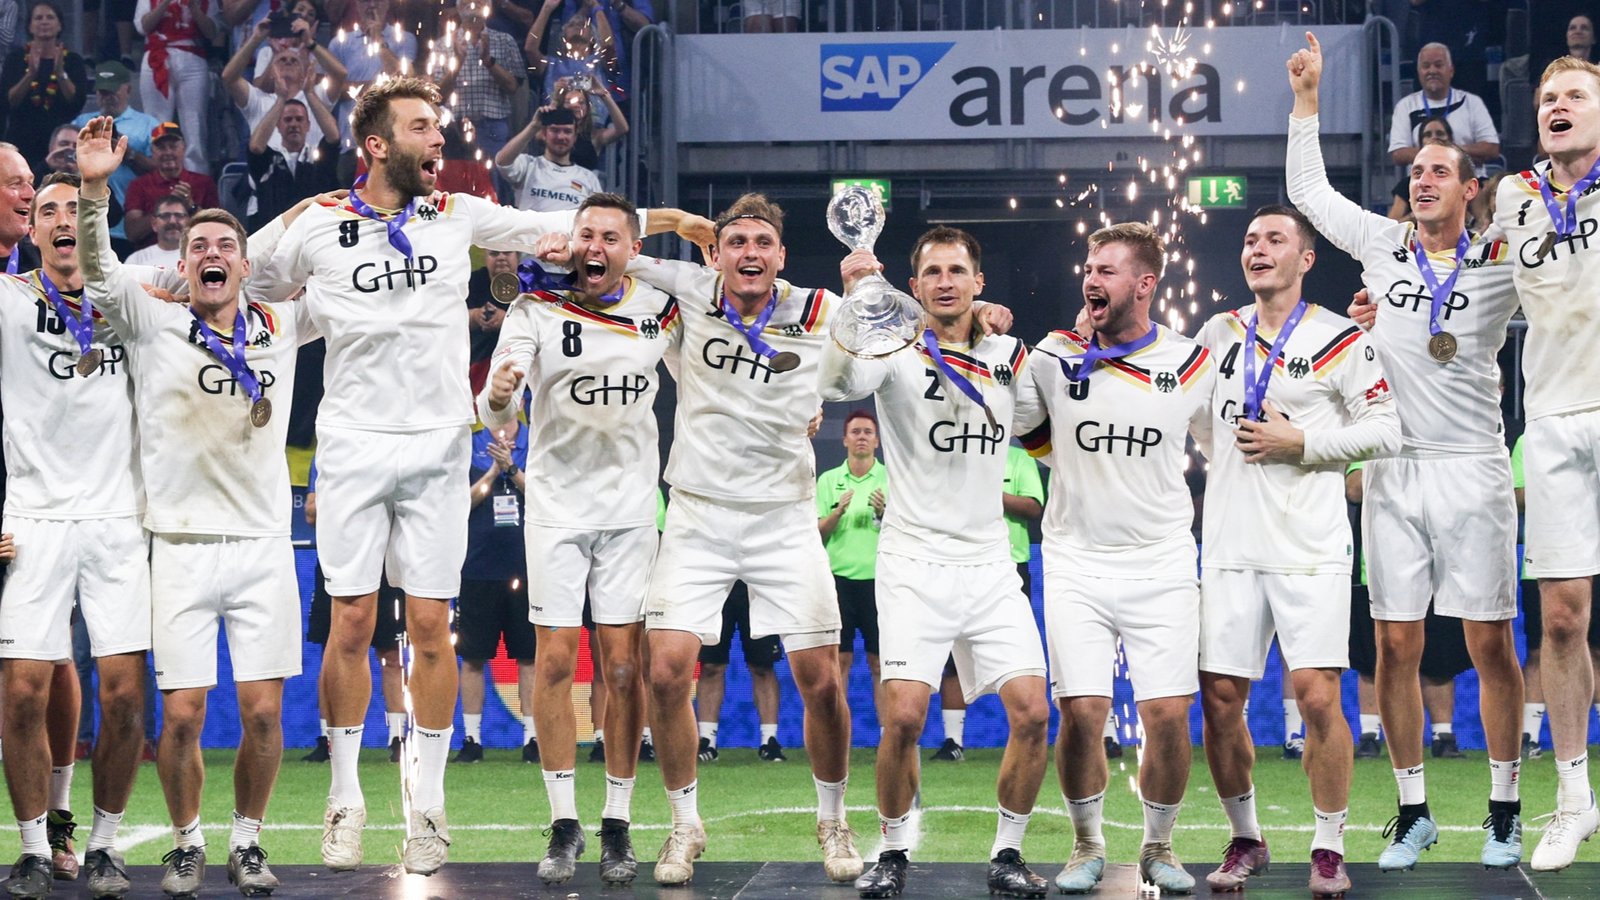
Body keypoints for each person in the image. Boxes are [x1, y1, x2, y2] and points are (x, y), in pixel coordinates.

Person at [248, 75, 710, 876]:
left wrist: (675, 223)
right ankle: (346, 799)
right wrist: (300, 217)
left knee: (430, 629)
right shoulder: (321, 225)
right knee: (353, 624)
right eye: (423, 129)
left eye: (438, 128)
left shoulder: (457, 215)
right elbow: (247, 284)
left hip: (437, 447)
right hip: (352, 443)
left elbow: (572, 229)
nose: (440, 142)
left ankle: (425, 809)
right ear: (376, 144)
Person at [626, 193, 950, 887]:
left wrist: (868, 292)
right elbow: (606, 241)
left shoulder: (820, 312)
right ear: (716, 254)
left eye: (762, 243)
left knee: (820, 679)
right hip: (698, 513)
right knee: (664, 670)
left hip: (783, 516)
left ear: (780, 255)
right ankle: (684, 824)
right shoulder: (691, 287)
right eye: (735, 241)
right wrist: (676, 223)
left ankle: (833, 817)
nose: (749, 253)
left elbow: (874, 365)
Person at [1288, 32, 1527, 870]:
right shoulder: (1381, 249)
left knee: (1489, 643)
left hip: (1472, 463)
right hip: (1392, 465)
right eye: (1415, 172)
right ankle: (1414, 811)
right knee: (1394, 644)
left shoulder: (1502, 261)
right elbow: (1308, 190)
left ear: (1471, 189)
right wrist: (1307, 98)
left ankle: (1504, 808)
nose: (1421, 181)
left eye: (1439, 172)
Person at [76, 115, 324, 898]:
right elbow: (96, 266)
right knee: (178, 717)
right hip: (178, 544)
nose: (212, 256)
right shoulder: (155, 321)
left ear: (247, 266)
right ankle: (187, 843)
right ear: (180, 267)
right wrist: (91, 189)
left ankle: (247, 842)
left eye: (225, 248)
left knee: (260, 716)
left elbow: (355, 291)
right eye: (199, 250)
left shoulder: (281, 324)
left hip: (261, 546)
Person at [824, 225, 1049, 900]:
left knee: (1035, 714)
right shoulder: (893, 350)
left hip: (988, 561)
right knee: (902, 718)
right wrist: (853, 297)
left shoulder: (1011, 354)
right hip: (913, 562)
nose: (946, 281)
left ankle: (1008, 853)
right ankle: (893, 852)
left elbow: (1041, 432)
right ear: (914, 286)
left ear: (979, 283)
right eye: (932, 272)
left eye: (958, 271)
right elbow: (838, 382)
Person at [1193, 204, 1401, 898]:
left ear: (1304, 259)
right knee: (1221, 699)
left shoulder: (1342, 339)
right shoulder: (1218, 332)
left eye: (1274, 239)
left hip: (1310, 547)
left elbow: (1385, 431)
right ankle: (1246, 835)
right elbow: (1198, 426)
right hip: (1228, 545)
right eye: (1250, 239)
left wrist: (1303, 445)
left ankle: (1328, 845)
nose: (1257, 249)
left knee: (1317, 697)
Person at [477, 193, 677, 886]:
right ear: (570, 242)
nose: (596, 246)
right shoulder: (535, 310)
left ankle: (618, 821)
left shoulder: (660, 309)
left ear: (630, 250)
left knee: (623, 668)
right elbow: (493, 406)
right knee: (556, 662)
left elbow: (710, 378)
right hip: (557, 509)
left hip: (628, 510)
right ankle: (565, 821)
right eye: (585, 233)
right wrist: (502, 393)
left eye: (610, 237)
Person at [1016, 221, 1213, 896]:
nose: (1091, 280)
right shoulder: (1052, 354)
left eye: (1107, 270)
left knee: (1165, 716)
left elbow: (1225, 448)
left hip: (1161, 560)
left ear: (1145, 283)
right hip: (1075, 559)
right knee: (1083, 714)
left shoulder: (1191, 362)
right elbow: (1027, 433)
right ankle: (1086, 843)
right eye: (1089, 268)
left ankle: (1159, 844)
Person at [0, 159, 152, 900]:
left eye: (75, 211)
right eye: (47, 210)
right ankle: (33, 847)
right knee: (24, 690)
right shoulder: (3, 301)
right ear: (29, 231)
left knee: (124, 694)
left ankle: (103, 843)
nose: (62, 220)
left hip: (120, 518)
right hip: (32, 520)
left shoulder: (128, 302)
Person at [1484, 54, 1600, 870]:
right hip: (1554, 420)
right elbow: (1475, 278)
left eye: (1576, 96)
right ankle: (1572, 796)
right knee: (1560, 617)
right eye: (1548, 99)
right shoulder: (1515, 197)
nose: (1559, 107)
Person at [452, 418, 536, 766]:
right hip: (477, 567)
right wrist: (490, 472)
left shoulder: (538, 440)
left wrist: (512, 468)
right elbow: (459, 505)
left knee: (529, 657)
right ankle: (472, 739)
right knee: (472, 656)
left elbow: (543, 498)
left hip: (526, 567)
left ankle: (533, 738)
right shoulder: (469, 445)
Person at [817, 409, 887, 724]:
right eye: (855, 432)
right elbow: (816, 532)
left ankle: (889, 735)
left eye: (867, 432)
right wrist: (837, 513)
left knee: (880, 662)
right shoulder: (829, 480)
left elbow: (909, 530)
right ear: (845, 439)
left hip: (881, 580)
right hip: (838, 579)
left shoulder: (891, 479)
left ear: (877, 440)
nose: (861, 437)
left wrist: (886, 513)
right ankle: (837, 734)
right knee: (839, 660)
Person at [69, 60, 159, 249]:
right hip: (88, 222)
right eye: (103, 92)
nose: (108, 97)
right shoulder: (81, 123)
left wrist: (129, 154)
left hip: (130, 223)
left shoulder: (149, 124)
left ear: (128, 89)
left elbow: (161, 172)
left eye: (113, 90)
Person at [693, 583, 786, 763]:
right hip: (717, 584)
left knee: (763, 666)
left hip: (756, 585)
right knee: (711, 666)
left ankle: (769, 741)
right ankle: (707, 741)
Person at [436, 0, 525, 183]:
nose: (473, 3)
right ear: (458, 7)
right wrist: (458, 63)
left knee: (493, 184)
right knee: (451, 184)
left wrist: (488, 61)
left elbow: (513, 87)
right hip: (452, 128)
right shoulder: (442, 44)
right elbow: (437, 95)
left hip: (492, 126)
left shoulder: (505, 40)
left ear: (489, 7)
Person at [1388, 42, 1501, 178]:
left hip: (1469, 183)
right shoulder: (1405, 106)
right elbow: (1399, 154)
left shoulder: (1472, 102)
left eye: (1438, 65)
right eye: (1426, 66)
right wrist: (1457, 154)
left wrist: (1448, 151)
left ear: (1451, 71)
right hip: (1423, 184)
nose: (1432, 71)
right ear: (1419, 72)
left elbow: (1491, 148)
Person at [133, 0, 219, 176]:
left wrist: (194, 7)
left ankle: (197, 182)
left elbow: (212, 32)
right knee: (156, 123)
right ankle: (158, 179)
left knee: (194, 125)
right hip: (156, 56)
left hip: (192, 56)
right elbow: (143, 27)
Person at [245, 83, 341, 231]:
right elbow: (255, 147)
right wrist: (280, 100)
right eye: (288, 120)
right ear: (278, 125)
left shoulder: (319, 157)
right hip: (275, 236)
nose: (294, 124)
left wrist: (309, 93)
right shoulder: (269, 159)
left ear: (308, 125)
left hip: (315, 233)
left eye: (299, 119)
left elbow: (333, 136)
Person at [0, 1, 86, 165]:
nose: (44, 21)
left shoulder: (73, 61)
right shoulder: (16, 59)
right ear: (30, 26)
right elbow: (8, 102)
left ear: (60, 25)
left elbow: (76, 102)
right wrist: (30, 75)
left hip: (59, 145)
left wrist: (60, 74)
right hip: (21, 142)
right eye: (38, 18)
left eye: (50, 17)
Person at [122, 121, 218, 249]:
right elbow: (132, 233)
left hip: (194, 254)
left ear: (184, 148)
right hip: (151, 258)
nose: (168, 152)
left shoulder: (204, 183)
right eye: (161, 148)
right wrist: (163, 209)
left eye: (173, 146)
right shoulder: (138, 185)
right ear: (153, 152)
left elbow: (216, 229)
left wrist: (191, 206)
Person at [496, 106, 601, 213]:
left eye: (567, 131)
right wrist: (533, 126)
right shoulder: (528, 165)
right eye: (555, 130)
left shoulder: (589, 178)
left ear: (575, 137)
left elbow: (599, 215)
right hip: (530, 228)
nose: (560, 137)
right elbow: (502, 162)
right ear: (544, 134)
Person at [126, 193, 188, 266]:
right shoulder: (136, 260)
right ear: (154, 223)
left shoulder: (199, 257)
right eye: (165, 216)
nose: (172, 221)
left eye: (179, 215)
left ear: (188, 222)